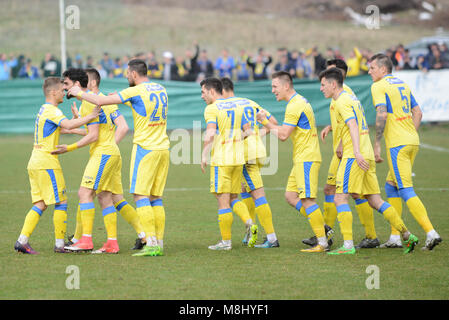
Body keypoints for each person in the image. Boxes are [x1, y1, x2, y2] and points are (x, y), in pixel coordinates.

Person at [67, 59, 169, 257]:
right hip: (163, 147)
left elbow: (99, 101)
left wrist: (78, 92)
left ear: (133, 73)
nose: (126, 76)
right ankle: (158, 242)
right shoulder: (160, 88)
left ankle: (150, 243)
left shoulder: (134, 91)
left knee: (140, 196)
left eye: (127, 73)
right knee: (155, 198)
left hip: (145, 148)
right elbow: (130, 101)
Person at [318, 67, 419, 255]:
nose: (321, 89)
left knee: (340, 197)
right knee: (374, 199)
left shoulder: (341, 101)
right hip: (368, 154)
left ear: (333, 84)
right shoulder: (352, 99)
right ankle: (407, 235)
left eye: (323, 85)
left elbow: (353, 125)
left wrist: (355, 151)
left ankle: (347, 246)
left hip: (354, 156)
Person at [58, 68, 146, 253]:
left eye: (66, 84)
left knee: (84, 193)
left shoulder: (91, 101)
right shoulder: (102, 101)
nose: (64, 88)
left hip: (104, 154)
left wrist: (70, 147)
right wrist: (75, 127)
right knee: (108, 197)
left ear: (85, 83)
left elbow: (95, 135)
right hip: (110, 153)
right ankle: (116, 241)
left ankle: (84, 239)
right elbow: (103, 130)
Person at [14, 77, 99, 254]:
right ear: (53, 92)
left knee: (41, 203)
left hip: (35, 161)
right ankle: (60, 245)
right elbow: (67, 124)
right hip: (47, 162)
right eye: (62, 90)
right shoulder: (52, 110)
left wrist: (77, 120)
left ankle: (22, 240)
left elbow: (65, 128)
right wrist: (90, 117)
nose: (64, 92)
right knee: (61, 202)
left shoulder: (44, 110)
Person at [303, 59, 380, 249]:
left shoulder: (345, 95)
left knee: (351, 194)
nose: (325, 81)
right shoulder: (338, 96)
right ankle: (327, 231)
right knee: (333, 190)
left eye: (331, 74)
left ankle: (365, 236)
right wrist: (331, 127)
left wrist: (340, 144)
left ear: (340, 75)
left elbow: (353, 122)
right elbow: (347, 118)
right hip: (346, 149)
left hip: (347, 150)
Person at [368, 53, 442, 250]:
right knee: (391, 186)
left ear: (383, 69)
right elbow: (418, 112)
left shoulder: (378, 86)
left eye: (372, 68)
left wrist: (376, 142)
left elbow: (382, 113)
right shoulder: (402, 84)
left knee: (405, 189)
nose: (369, 71)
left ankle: (431, 232)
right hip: (412, 141)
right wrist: (410, 133)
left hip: (398, 146)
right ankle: (394, 237)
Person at [256, 71, 330, 253]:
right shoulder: (297, 102)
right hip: (302, 158)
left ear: (286, 86)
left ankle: (322, 242)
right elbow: (285, 129)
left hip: (307, 158)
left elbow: (282, 135)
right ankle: (322, 228)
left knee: (307, 199)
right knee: (291, 196)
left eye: (275, 86)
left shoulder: (294, 105)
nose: (272, 90)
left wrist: (265, 122)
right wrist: (268, 129)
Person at [200, 77, 258, 251]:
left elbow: (210, 133)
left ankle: (226, 242)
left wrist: (204, 155)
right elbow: (248, 131)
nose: (202, 96)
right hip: (238, 158)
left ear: (211, 91)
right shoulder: (236, 105)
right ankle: (250, 223)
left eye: (203, 92)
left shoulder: (211, 109)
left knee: (223, 201)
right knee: (233, 198)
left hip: (222, 159)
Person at [221, 77, 279, 248]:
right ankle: (250, 232)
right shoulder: (249, 102)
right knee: (245, 190)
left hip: (246, 154)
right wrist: (257, 135)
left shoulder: (227, 106)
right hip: (256, 150)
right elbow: (273, 123)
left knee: (258, 195)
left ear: (223, 91)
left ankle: (272, 238)